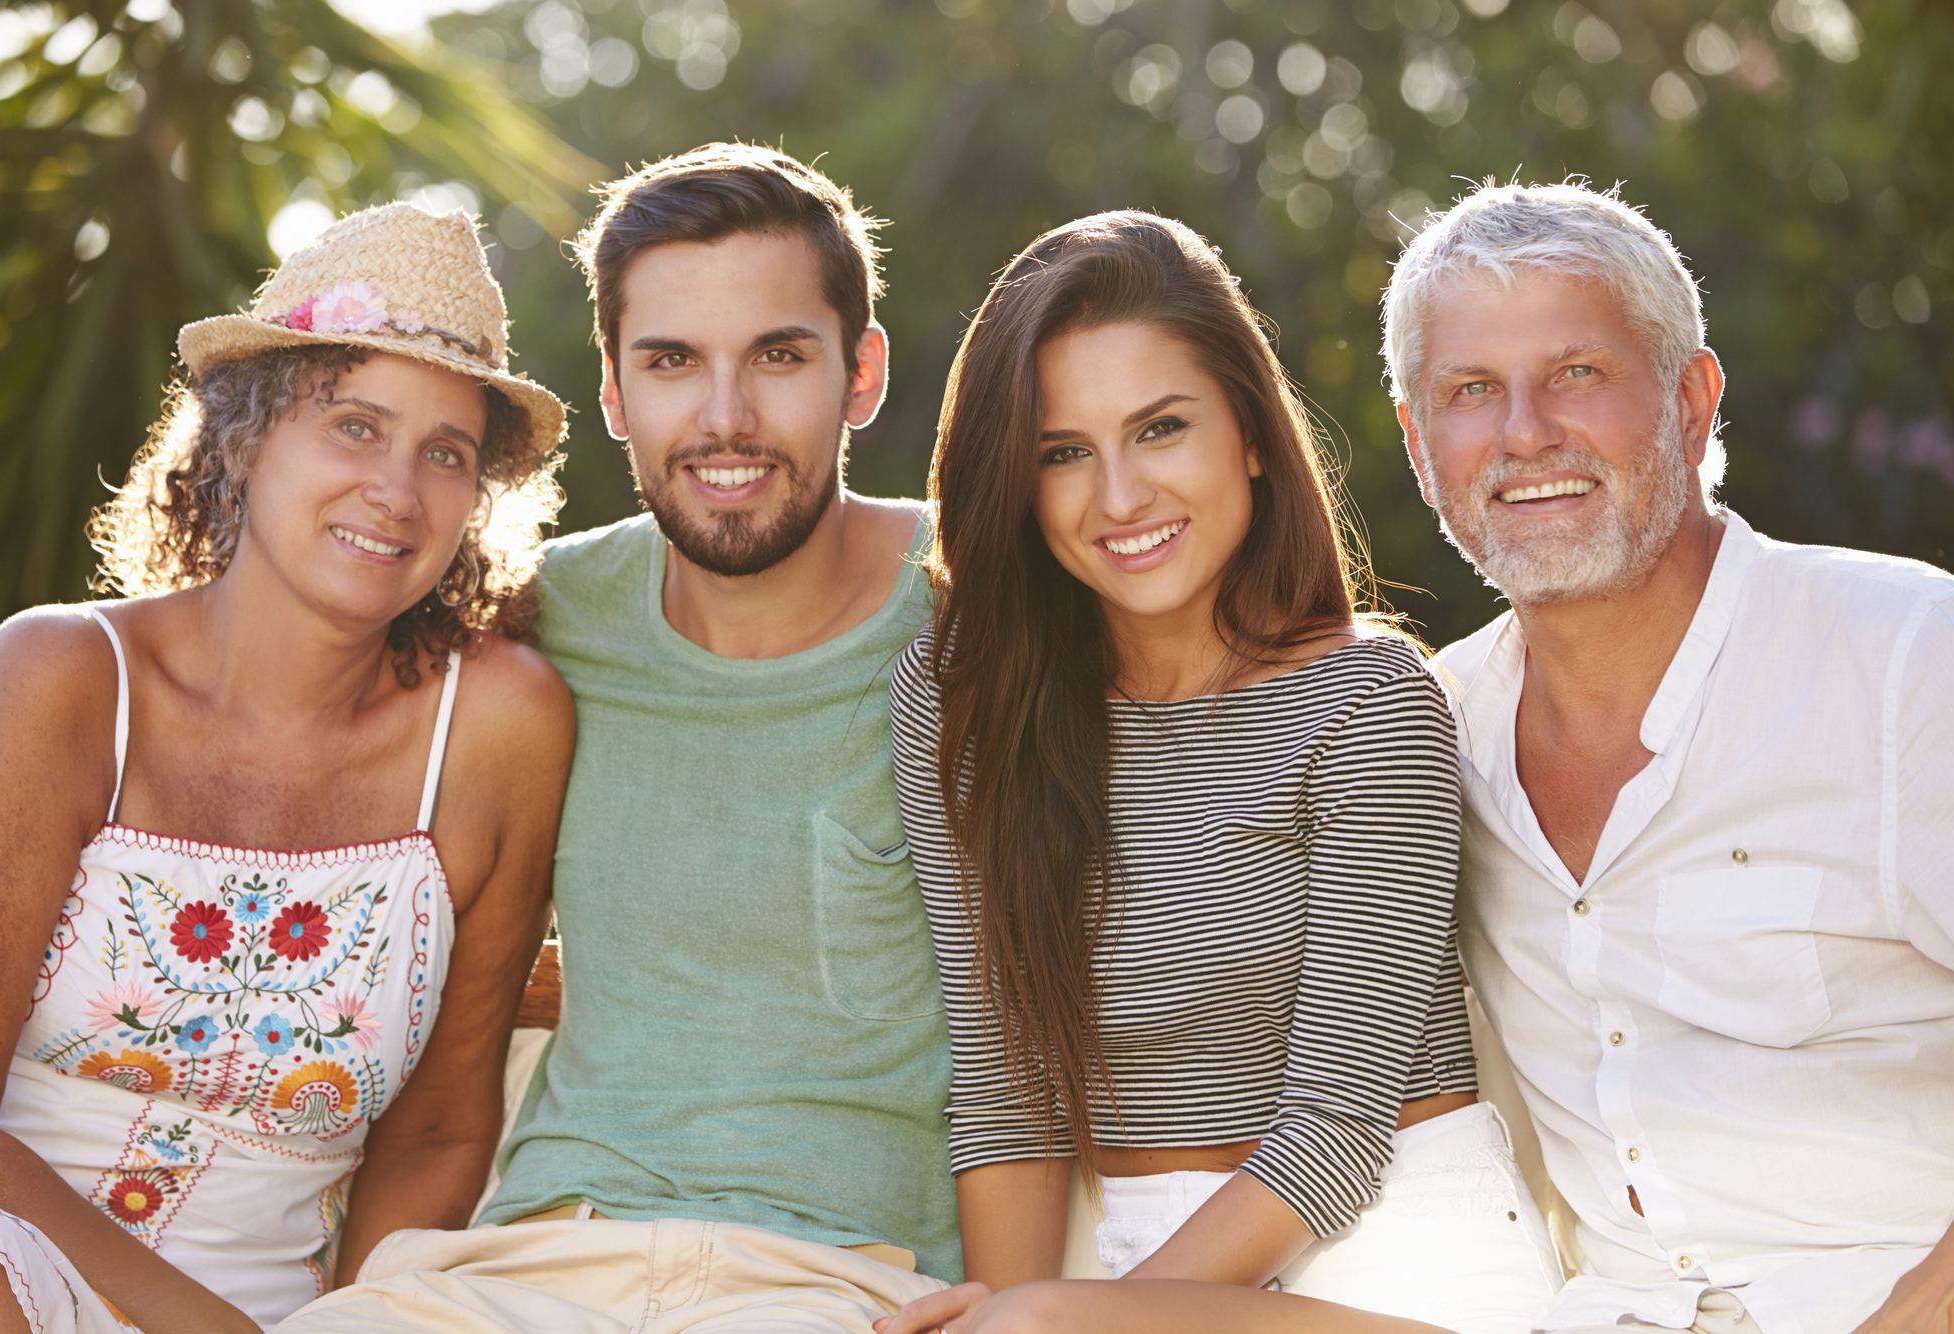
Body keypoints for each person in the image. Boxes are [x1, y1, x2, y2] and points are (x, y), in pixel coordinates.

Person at [272, 145, 958, 1334]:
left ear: (862, 372)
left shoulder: (981, 605)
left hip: (839, 1276)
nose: (725, 416)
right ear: (611, 389)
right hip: (533, 1258)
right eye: (672, 362)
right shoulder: (544, 619)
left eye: (778, 356)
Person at [876, 211, 1561, 1334]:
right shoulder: (963, 704)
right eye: (1060, 452)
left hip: (1396, 1249)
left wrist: (1054, 1324)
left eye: (1159, 429)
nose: (1117, 496)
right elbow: (1009, 1098)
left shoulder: (1367, 700)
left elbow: (1336, 1131)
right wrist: (1017, 1310)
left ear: (1247, 431)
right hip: (1127, 1272)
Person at [0, 202, 576, 1334]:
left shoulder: (496, 724)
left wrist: (356, 1321)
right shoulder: (64, 678)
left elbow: (439, 1128)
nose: (397, 489)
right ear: (241, 437)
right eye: (353, 425)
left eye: (445, 452)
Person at [1382, 180, 1954, 1334]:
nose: (1522, 432)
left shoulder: (1902, 656)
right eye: (1468, 391)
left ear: (1690, 402)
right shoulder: (1424, 730)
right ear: (1414, 440)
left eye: (1576, 373)